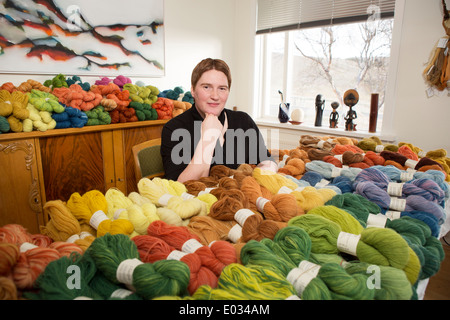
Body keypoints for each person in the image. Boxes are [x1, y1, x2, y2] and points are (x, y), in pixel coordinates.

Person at [160, 58, 277, 182]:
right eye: (206, 87)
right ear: (193, 90)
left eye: (222, 88)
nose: (215, 96)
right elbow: (182, 186)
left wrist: (258, 178)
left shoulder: (243, 121)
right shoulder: (174, 128)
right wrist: (208, 138)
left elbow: (267, 160)